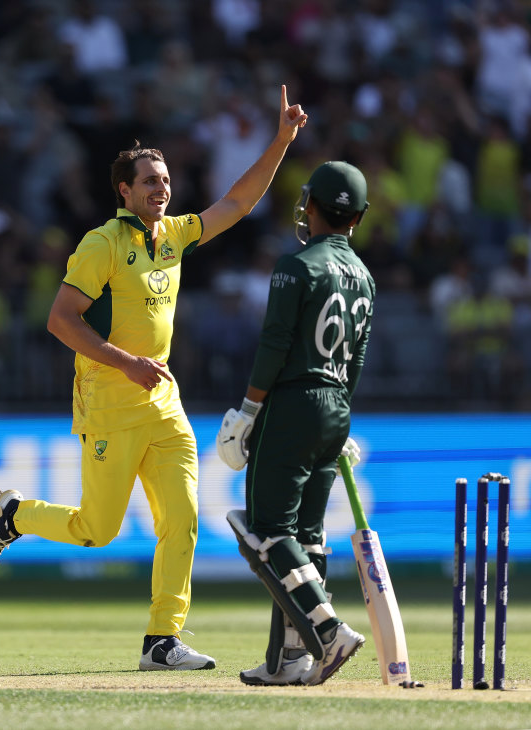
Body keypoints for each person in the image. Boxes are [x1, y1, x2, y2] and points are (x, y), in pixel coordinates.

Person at [0, 85, 307, 672]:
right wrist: (124, 361)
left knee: (183, 518)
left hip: (163, 401)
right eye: (150, 181)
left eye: (167, 180)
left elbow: (237, 203)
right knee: (96, 530)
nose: (162, 189)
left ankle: (162, 639)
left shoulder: (173, 235)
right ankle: (14, 516)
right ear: (124, 190)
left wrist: (280, 140)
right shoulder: (101, 244)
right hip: (108, 401)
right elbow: (59, 320)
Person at [217, 160, 375, 686]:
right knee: (306, 539)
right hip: (336, 407)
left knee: (264, 530)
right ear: (358, 217)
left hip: (291, 404)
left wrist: (248, 411)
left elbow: (274, 345)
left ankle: (327, 633)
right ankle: (290, 659)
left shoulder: (297, 264)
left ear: (311, 205)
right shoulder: (366, 279)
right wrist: (340, 420)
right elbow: (354, 362)